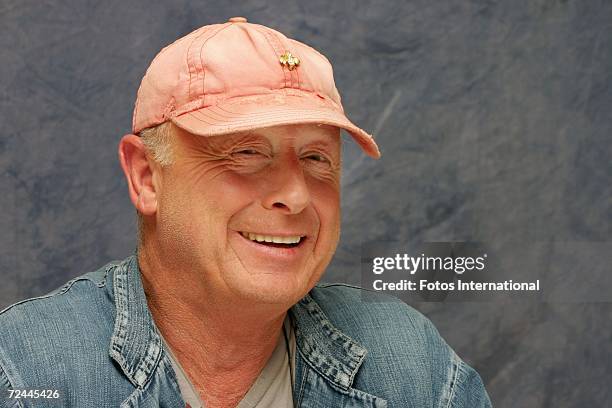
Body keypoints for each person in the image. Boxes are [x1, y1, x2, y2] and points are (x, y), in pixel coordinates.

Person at [0, 17, 491, 407]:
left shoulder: (411, 365)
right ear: (146, 177)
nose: (295, 197)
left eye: (316, 158)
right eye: (246, 153)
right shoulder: (23, 370)